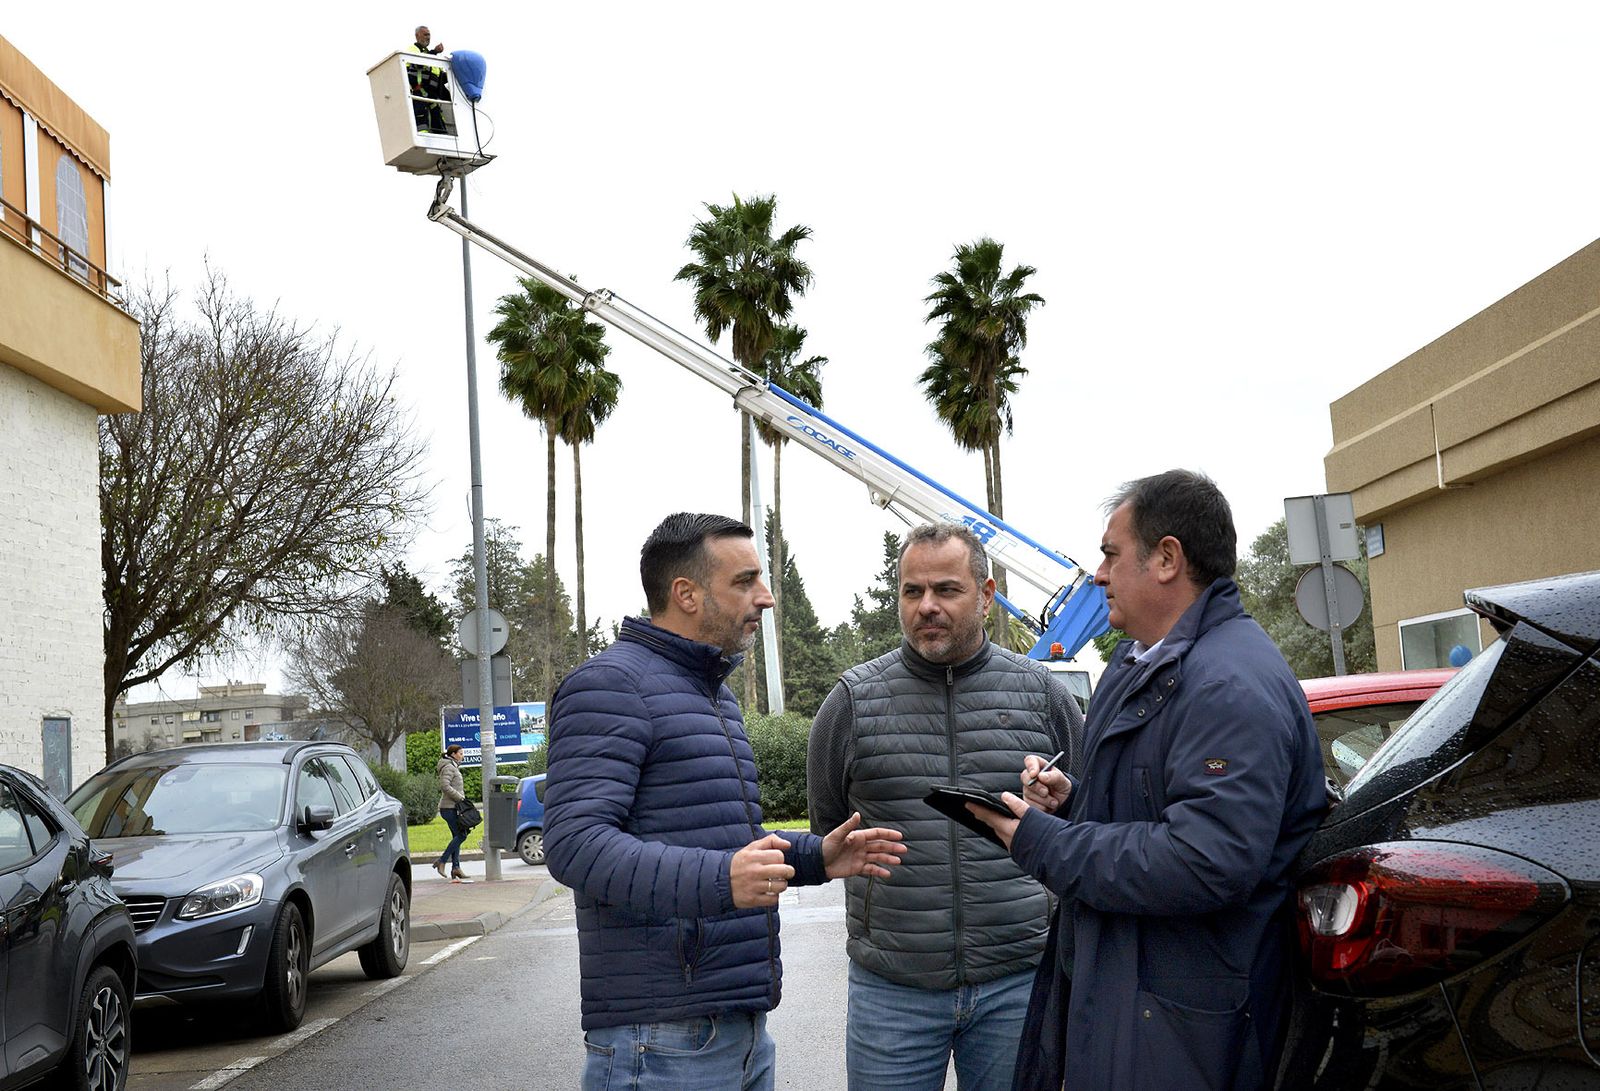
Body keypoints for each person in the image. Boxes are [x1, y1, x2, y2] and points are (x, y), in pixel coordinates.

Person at [965, 470, 1327, 1091]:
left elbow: (1206, 859)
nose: (1098, 575)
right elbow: (1157, 811)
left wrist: (1045, 841)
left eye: (1111, 554)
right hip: (1136, 1004)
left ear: (1166, 559)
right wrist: (1073, 802)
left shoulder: (1228, 685)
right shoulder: (1142, 665)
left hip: (1186, 1030)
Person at [544, 512, 908, 1091]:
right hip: (659, 1040)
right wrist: (722, 880)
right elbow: (575, 845)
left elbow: (720, 842)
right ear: (686, 593)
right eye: (745, 581)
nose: (765, 597)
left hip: (736, 1030)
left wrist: (814, 857)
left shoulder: (712, 694)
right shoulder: (611, 685)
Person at [806, 523, 1084, 1091]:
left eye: (947, 590)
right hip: (892, 990)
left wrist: (1060, 804)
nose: (927, 606)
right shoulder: (851, 702)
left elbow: (1089, 824)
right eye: (913, 591)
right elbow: (827, 830)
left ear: (986, 595)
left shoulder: (1044, 695)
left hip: (1017, 982)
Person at [434, 743, 472, 883]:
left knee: (457, 836)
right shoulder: (449, 767)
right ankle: (442, 861)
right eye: (460, 753)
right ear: (453, 754)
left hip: (452, 807)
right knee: (462, 835)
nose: (462, 756)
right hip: (449, 808)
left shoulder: (453, 766)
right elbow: (445, 786)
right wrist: (460, 798)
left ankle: (456, 868)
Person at [407, 25, 450, 134]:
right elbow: (419, 62)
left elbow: (439, 79)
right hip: (419, 94)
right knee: (422, 124)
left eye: (429, 35)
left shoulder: (431, 57)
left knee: (439, 125)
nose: (428, 37)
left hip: (432, 97)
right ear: (417, 36)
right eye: (425, 34)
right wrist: (434, 51)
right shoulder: (413, 49)